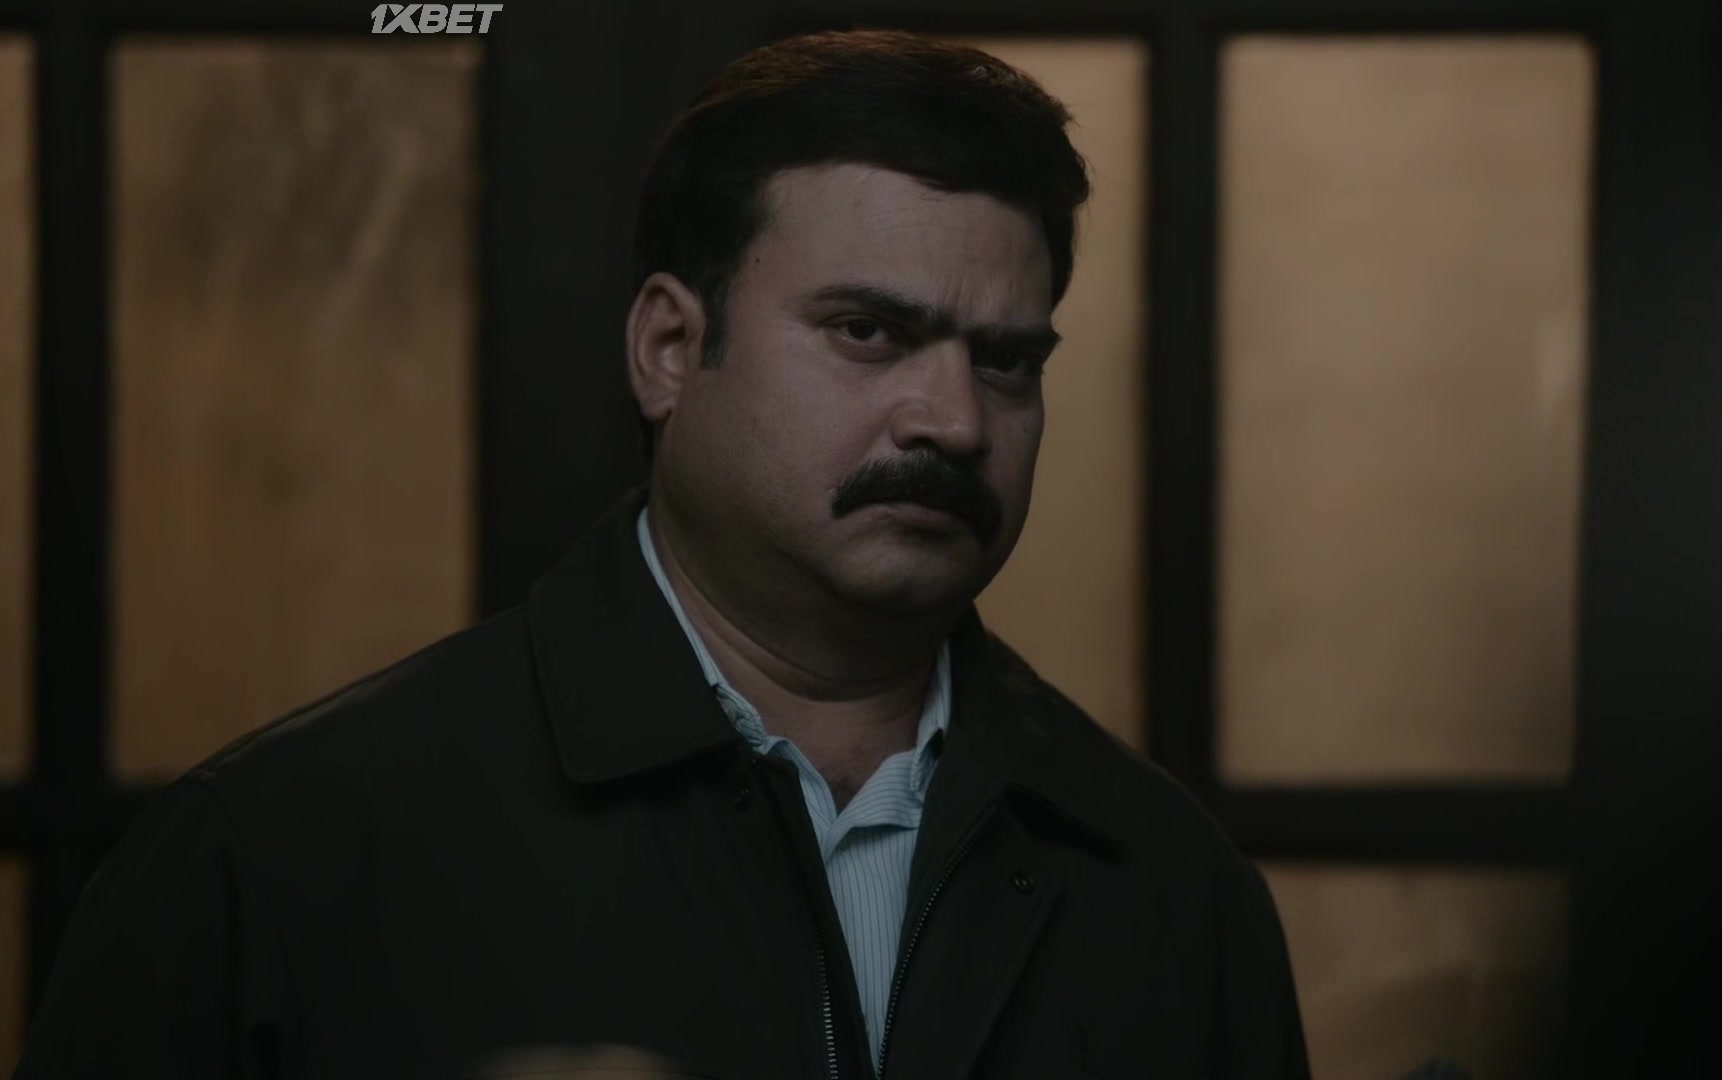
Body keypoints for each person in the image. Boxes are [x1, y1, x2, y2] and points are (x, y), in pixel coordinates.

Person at [15, 29, 1309, 1080]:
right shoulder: (278, 858)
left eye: (1008, 360)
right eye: (869, 333)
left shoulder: (1169, 890)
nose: (956, 421)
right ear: (670, 351)